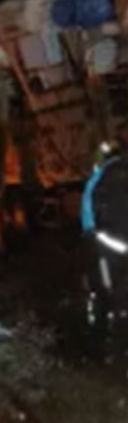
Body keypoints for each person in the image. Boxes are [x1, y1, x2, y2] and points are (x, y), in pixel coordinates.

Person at [82, 133, 128, 344]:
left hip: (110, 243)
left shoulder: (99, 176)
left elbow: (87, 215)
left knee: (108, 286)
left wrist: (89, 235)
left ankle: (113, 329)